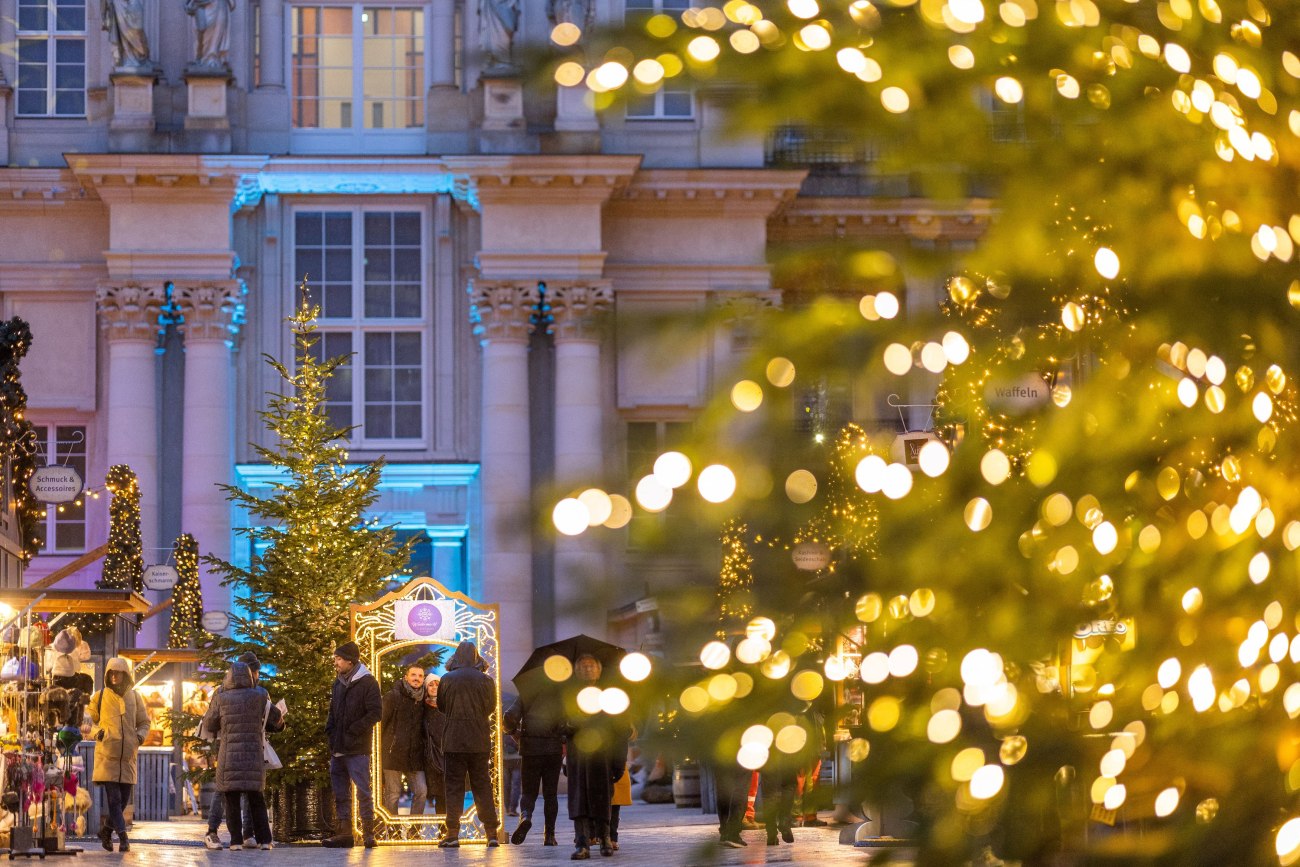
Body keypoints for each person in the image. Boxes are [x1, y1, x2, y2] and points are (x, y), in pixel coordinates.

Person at [202, 659, 284, 850]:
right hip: (253, 756)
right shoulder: (260, 695)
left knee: (231, 799)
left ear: (229, 676)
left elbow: (209, 724)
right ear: (249, 675)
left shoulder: (222, 697)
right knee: (257, 799)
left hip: (229, 755)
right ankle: (265, 840)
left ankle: (235, 841)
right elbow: (276, 718)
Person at [436, 640, 500, 848]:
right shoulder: (486, 680)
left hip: (453, 740)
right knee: (482, 785)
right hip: (478, 739)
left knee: (453, 787)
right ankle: (491, 832)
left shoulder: (447, 679)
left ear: (456, 657)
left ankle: (453, 833)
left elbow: (441, 706)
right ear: (476, 657)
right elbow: (490, 707)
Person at [564, 654, 627, 860]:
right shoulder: (569, 695)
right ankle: (582, 843)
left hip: (602, 758)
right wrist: (571, 723)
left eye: (591, 666)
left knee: (602, 799)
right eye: (583, 667)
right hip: (578, 758)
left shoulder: (608, 693)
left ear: (599, 671)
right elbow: (556, 725)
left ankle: (605, 838)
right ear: (576, 671)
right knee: (579, 801)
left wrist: (619, 761)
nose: (587, 670)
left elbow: (620, 729)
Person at [324, 641, 382, 848]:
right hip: (338, 746)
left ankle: (368, 833)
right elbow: (333, 710)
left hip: (357, 747)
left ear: (350, 660)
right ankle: (344, 833)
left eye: (338, 659)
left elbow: (376, 712)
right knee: (340, 791)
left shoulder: (368, 682)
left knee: (363, 790)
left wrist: (354, 730)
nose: (336, 663)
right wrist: (330, 731)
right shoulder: (338, 683)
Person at [88, 657, 150, 852]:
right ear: (107, 675)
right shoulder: (99, 696)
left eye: (118, 672)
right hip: (107, 755)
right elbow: (88, 722)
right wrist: (97, 733)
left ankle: (106, 831)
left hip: (128, 757)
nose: (114, 676)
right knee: (114, 799)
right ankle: (123, 838)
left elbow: (144, 722)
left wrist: (139, 737)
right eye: (111, 673)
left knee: (123, 801)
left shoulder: (135, 697)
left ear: (125, 674)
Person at [504, 689, 564, 846]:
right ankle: (549, 835)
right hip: (553, 750)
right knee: (550, 794)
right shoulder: (560, 695)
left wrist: (513, 732)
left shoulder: (527, 694)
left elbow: (508, 716)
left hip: (531, 750)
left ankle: (526, 816)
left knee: (529, 792)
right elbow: (569, 723)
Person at [381, 664, 428, 816]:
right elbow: (381, 723)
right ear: (406, 677)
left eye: (420, 676)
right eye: (413, 675)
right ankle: (393, 831)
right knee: (393, 794)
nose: (417, 679)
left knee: (421, 791)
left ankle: (415, 831)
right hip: (392, 753)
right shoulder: (393, 696)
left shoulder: (424, 700)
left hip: (415, 755)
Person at [184, 0, 236, 69]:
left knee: (217, 27)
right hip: (201, 4)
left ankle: (212, 57)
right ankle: (201, 57)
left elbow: (232, 5)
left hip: (219, 5)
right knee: (202, 30)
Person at [421, 674, 446, 816]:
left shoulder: (447, 705)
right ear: (426, 687)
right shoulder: (422, 706)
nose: (434, 687)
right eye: (431, 684)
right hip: (430, 755)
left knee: (446, 795)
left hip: (446, 753)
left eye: (437, 684)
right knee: (435, 795)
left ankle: (447, 830)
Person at [101, 0, 149, 69]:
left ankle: (139, 56)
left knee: (136, 32)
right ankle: (128, 58)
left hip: (131, 5)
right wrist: (104, 17)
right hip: (119, 4)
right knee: (123, 31)